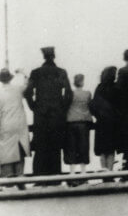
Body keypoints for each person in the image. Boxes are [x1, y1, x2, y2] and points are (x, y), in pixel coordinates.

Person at [26, 46, 73, 176]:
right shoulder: (61, 72)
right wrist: (62, 108)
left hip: (40, 115)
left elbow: (27, 92)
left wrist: (34, 107)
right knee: (55, 146)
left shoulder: (35, 73)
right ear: (54, 56)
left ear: (44, 56)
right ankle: (55, 176)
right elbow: (69, 94)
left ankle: (39, 176)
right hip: (57, 115)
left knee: (40, 145)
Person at [0, 68, 30, 181]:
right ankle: (20, 177)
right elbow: (29, 83)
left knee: (6, 151)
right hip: (19, 124)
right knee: (20, 149)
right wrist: (23, 72)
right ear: (10, 78)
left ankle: (7, 179)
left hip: (5, 125)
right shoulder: (18, 89)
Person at [89, 66, 120, 172]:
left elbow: (93, 105)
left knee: (102, 150)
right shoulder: (116, 87)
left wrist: (98, 115)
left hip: (101, 123)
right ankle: (110, 173)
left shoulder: (99, 87)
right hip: (113, 123)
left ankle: (104, 174)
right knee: (111, 150)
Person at [64, 74, 93, 180]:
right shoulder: (87, 94)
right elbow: (90, 106)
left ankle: (72, 173)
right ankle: (83, 173)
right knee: (83, 147)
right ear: (82, 82)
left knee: (71, 147)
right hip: (83, 123)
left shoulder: (70, 94)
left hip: (70, 122)